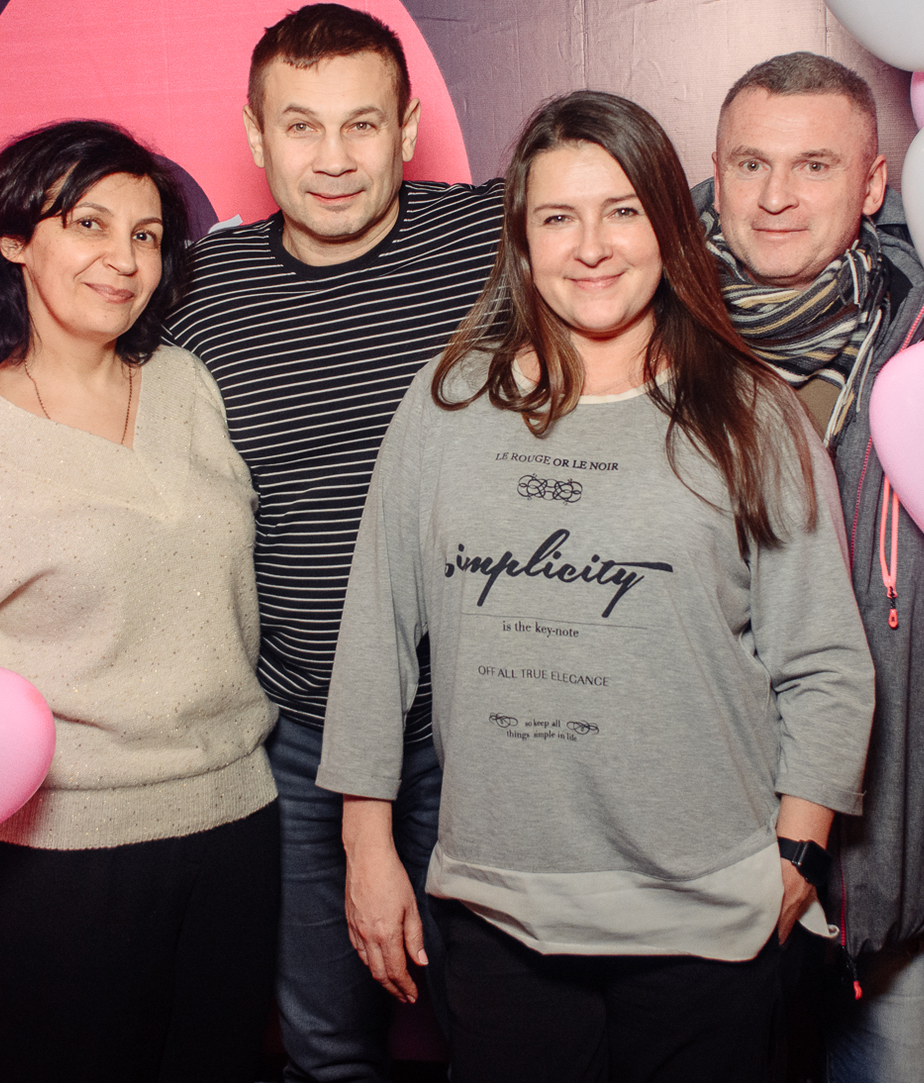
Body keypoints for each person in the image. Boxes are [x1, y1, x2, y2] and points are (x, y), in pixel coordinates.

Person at [0, 5, 506, 1080]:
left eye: (362, 125)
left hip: (479, 724)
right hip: (295, 737)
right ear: (256, 136)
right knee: (321, 1044)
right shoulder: (198, 295)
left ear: (407, 129)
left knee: (509, 1034)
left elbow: (673, 244)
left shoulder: (497, 241)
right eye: (300, 125)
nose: (334, 158)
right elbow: (56, 380)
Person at [318, 90, 877, 1081]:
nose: (591, 248)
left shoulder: (753, 413)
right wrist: (366, 846)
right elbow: (375, 631)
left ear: (668, 223)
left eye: (622, 211)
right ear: (521, 239)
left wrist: (797, 857)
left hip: (711, 917)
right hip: (499, 911)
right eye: (557, 217)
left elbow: (825, 658)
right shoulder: (448, 404)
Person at [0, 120, 280, 1082]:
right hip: (60, 856)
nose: (124, 259)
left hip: (235, 824)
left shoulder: (188, 385)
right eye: (89, 224)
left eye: (146, 236)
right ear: (16, 238)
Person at [695, 53, 924, 1082]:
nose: (776, 197)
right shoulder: (645, 334)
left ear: (871, 185)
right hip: (695, 874)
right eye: (751, 164)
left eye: (814, 166)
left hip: (892, 866)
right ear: (715, 176)